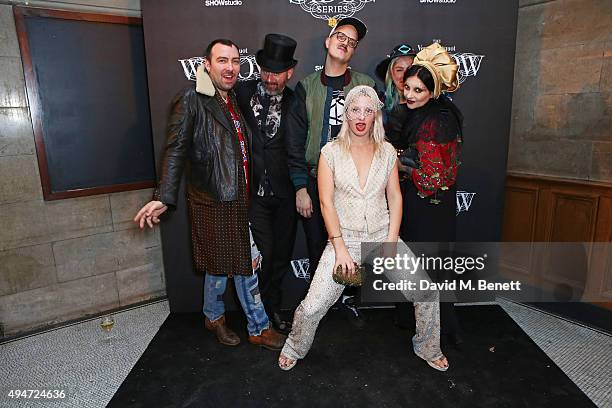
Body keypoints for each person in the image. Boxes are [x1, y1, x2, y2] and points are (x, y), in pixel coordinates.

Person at [278, 85, 449, 372]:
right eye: (355, 109)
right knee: (312, 306)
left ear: (375, 116)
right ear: (346, 114)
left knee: (427, 292)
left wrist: (392, 241)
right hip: (344, 239)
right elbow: (325, 202)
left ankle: (428, 346)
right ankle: (294, 346)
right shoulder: (330, 152)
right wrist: (340, 248)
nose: (361, 116)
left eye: (368, 110)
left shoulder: (386, 152)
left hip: (384, 234)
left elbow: (394, 196)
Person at [133, 38, 285, 350]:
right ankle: (258, 326)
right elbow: (175, 149)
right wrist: (163, 195)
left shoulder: (233, 101)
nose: (230, 67)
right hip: (213, 201)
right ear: (206, 64)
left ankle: (213, 316)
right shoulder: (192, 99)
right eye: (222, 61)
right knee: (246, 263)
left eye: (234, 61)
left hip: (239, 199)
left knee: (221, 265)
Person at [286, 17, 375, 327]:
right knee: (316, 246)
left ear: (354, 51)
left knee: (351, 244)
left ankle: (349, 301)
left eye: (352, 42)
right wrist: (300, 187)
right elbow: (295, 143)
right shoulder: (307, 88)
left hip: (353, 183)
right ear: (328, 42)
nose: (345, 43)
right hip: (314, 180)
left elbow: (379, 134)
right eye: (340, 37)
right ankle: (320, 304)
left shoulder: (365, 85)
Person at [399, 42, 464, 345]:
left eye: (417, 91)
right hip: (420, 205)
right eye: (407, 87)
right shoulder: (423, 114)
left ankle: (437, 333)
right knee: (417, 267)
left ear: (433, 91)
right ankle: (420, 324)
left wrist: (400, 164)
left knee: (430, 268)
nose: (409, 95)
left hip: (431, 206)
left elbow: (433, 178)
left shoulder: (438, 120)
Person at [235, 33, 298, 334]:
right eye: (267, 71)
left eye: (278, 72)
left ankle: (273, 307)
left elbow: (299, 148)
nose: (271, 78)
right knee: (265, 254)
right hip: (255, 193)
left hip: (286, 195)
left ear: (290, 72)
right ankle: (257, 312)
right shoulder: (241, 92)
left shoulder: (297, 101)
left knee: (282, 256)